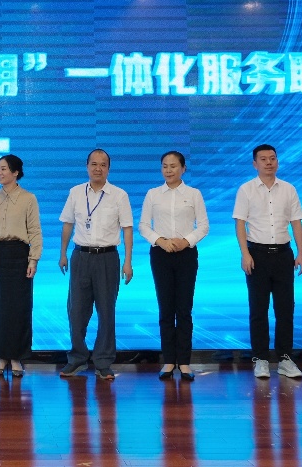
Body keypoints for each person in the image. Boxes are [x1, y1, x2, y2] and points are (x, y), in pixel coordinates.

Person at [57, 149, 132, 381]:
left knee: (106, 311)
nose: (98, 168)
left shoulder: (119, 195)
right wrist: (63, 254)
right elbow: (68, 224)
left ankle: (103, 362)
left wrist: (128, 261)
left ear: (108, 168)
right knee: (76, 310)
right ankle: (77, 358)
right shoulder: (76, 192)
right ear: (87, 166)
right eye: (94, 164)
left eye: (103, 165)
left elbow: (127, 229)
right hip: (81, 256)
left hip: (108, 258)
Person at [233, 144, 302, 379]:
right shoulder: (246, 189)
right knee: (258, 309)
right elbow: (240, 223)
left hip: (284, 255)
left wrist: (301, 253)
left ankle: (285, 359)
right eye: (263, 159)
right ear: (255, 164)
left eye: (272, 158)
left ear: (277, 161)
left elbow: (296, 222)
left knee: (285, 309)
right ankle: (261, 359)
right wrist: (245, 254)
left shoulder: (288, 189)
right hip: (257, 255)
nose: (268, 162)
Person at [139, 150, 209, 381]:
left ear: (183, 169)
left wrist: (186, 241)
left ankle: (185, 362)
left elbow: (204, 226)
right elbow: (143, 225)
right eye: (165, 166)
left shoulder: (194, 194)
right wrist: (160, 241)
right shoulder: (153, 194)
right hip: (161, 254)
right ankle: (169, 360)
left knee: (184, 309)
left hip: (186, 254)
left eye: (173, 166)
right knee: (166, 308)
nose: (168, 170)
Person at [0, 154, 41, 378]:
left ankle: (16, 358)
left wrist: (33, 259)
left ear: (16, 172)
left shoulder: (28, 198)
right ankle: (0, 357)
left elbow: (35, 231)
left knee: (18, 308)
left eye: (4, 169)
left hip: (19, 256)